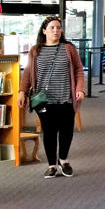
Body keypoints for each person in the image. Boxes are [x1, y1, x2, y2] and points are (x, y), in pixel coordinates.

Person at [18, 16, 85, 179]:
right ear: (44, 31)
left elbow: (78, 70)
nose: (56, 30)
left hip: (66, 98)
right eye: (52, 28)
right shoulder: (35, 50)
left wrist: (80, 89)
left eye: (58, 28)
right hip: (43, 100)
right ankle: (51, 165)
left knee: (66, 131)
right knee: (49, 132)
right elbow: (28, 72)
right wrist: (22, 91)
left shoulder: (69, 48)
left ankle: (63, 160)